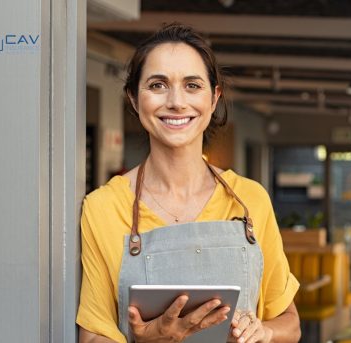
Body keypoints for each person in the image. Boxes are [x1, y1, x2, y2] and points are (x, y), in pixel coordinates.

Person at [76, 23, 300, 343]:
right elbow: (92, 336)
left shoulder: (250, 200)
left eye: (192, 85)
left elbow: (289, 324)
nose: (177, 102)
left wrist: (263, 332)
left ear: (214, 98)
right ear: (134, 99)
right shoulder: (103, 208)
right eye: (157, 85)